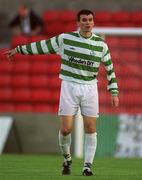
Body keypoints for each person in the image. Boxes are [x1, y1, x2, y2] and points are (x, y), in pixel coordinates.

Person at [5, 9, 119, 176]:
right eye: (84, 20)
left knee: (91, 127)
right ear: (78, 23)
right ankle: (67, 159)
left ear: (93, 23)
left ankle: (87, 167)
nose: (87, 23)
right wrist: (19, 49)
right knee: (66, 130)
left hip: (90, 88)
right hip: (69, 86)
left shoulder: (101, 45)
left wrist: (114, 91)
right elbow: (42, 46)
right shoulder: (65, 39)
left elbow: (110, 69)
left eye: (90, 20)